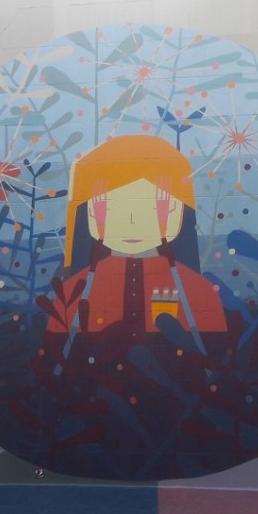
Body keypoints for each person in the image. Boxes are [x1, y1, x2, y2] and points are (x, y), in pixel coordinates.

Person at [38, 135, 226, 359]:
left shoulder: (197, 290)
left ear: (180, 211)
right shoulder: (73, 292)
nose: (132, 222)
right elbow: (57, 350)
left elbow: (211, 351)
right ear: (88, 213)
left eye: (152, 208)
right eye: (111, 208)